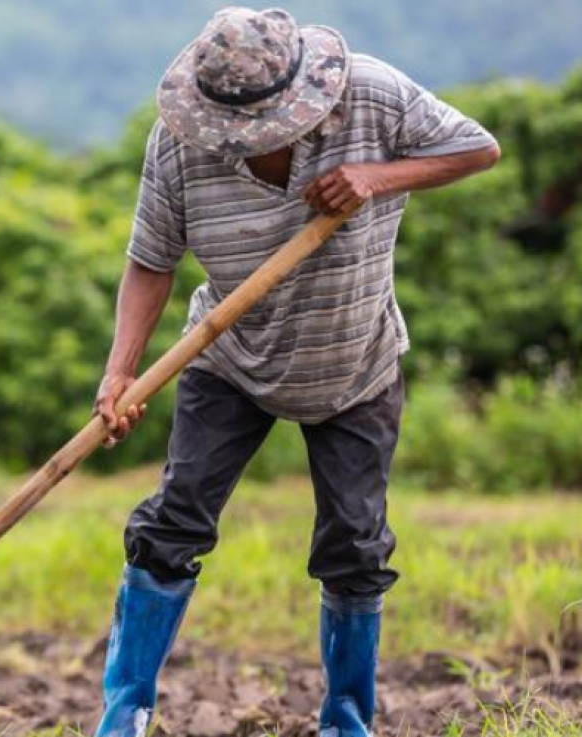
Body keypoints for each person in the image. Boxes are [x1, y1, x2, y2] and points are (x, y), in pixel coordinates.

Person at [92, 7, 500, 737]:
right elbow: (150, 261)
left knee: (354, 544)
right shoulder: (181, 145)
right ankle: (124, 714)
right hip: (228, 359)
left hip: (355, 361)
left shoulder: (373, 96)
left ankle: (346, 721)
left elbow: (478, 149)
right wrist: (119, 375)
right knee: (171, 525)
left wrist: (378, 177)